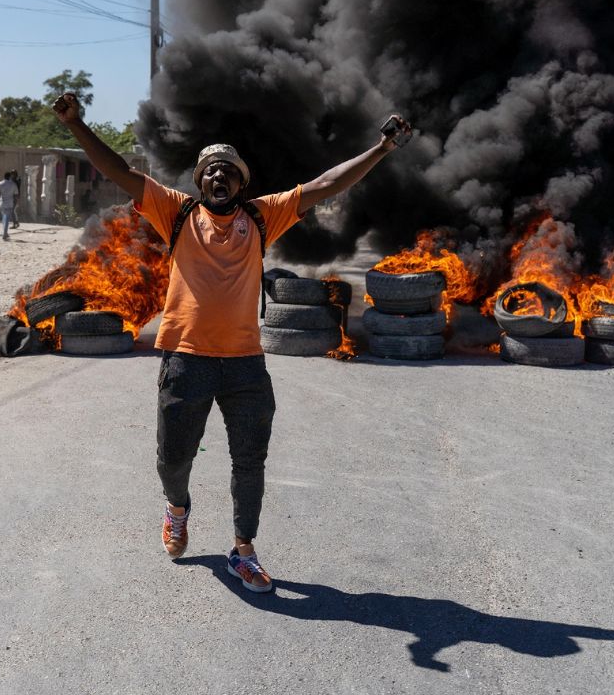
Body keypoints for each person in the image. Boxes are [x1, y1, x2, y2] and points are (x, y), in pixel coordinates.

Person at [52, 92, 411, 593]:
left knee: (250, 461)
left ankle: (243, 551)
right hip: (185, 360)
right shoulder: (175, 213)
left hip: (245, 364)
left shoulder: (264, 216)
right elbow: (119, 172)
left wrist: (381, 150)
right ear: (199, 182)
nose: (218, 177)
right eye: (210, 172)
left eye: (228, 172)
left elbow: (328, 184)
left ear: (243, 183)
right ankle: (177, 510)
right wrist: (76, 125)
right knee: (173, 459)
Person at [0, 170, 21, 240]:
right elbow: (16, 195)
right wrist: (16, 203)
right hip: (10, 203)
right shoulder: (13, 184)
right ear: (9, 176)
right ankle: (4, 234)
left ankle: (5, 233)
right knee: (6, 219)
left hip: (2, 203)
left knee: (4, 218)